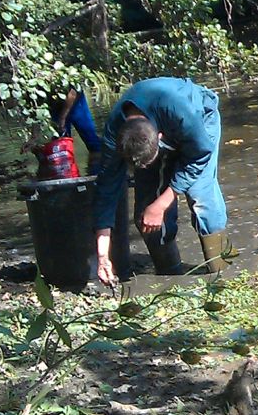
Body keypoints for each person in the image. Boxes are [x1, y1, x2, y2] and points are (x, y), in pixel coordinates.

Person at [93, 77, 232, 285]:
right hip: (153, 132)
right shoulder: (115, 134)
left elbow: (200, 155)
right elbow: (106, 190)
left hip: (200, 121)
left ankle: (222, 272)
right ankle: (170, 276)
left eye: (148, 162)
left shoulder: (182, 113)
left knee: (201, 195)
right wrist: (102, 256)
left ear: (160, 137)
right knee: (146, 208)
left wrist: (162, 203)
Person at [21, 86, 104, 173]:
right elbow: (36, 111)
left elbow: (72, 93)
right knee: (60, 146)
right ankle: (66, 174)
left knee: (92, 141)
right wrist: (34, 137)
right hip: (55, 107)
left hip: (76, 102)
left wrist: (62, 118)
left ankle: (99, 171)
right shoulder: (32, 89)